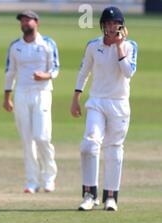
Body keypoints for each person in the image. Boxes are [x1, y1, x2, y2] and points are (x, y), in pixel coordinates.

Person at [71, 6, 137, 212]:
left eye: (114, 23)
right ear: (102, 25)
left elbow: (128, 72)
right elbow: (84, 72)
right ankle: (90, 194)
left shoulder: (130, 46)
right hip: (97, 101)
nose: (110, 27)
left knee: (114, 149)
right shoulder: (93, 46)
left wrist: (118, 46)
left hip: (119, 103)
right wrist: (76, 98)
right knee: (89, 144)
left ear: (120, 25)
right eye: (107, 23)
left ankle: (111, 196)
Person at [3, 10, 59, 194]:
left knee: (42, 137)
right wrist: (7, 97)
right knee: (27, 140)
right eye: (22, 20)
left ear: (37, 22)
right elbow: (10, 72)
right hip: (21, 93)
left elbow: (55, 68)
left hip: (42, 92)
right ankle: (32, 181)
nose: (25, 23)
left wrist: (45, 75)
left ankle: (49, 177)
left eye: (28, 20)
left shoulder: (47, 44)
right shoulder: (15, 46)